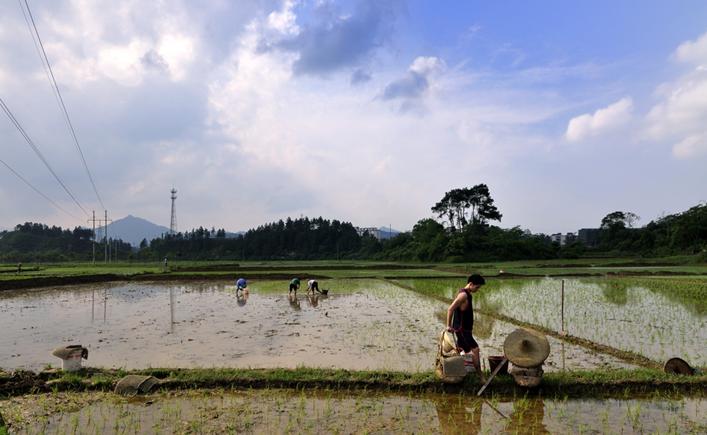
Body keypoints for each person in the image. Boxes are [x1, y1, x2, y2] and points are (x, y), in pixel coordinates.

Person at [446, 274, 486, 380]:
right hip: (462, 330)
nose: (478, 289)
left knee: (462, 350)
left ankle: (459, 372)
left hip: (465, 329)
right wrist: (448, 326)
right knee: (475, 350)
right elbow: (450, 309)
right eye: (477, 287)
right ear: (471, 284)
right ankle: (480, 376)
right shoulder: (463, 295)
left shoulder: (467, 293)